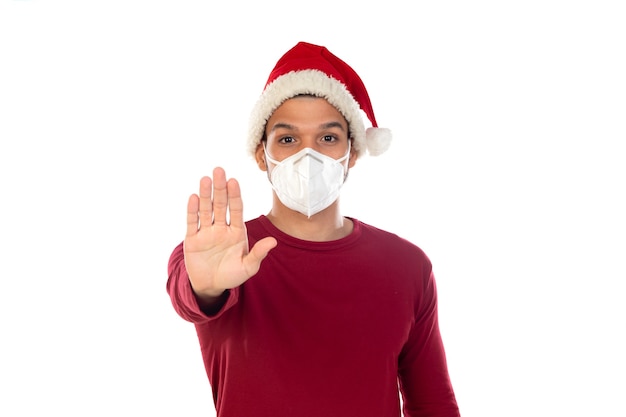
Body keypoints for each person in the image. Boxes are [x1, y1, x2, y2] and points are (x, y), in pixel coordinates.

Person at [167, 41, 460, 417]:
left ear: (352, 153)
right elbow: (188, 295)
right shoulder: (220, 252)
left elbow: (432, 403)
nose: (309, 155)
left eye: (328, 138)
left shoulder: (407, 265)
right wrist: (205, 288)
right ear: (262, 154)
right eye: (288, 139)